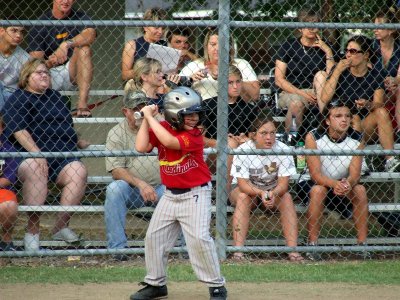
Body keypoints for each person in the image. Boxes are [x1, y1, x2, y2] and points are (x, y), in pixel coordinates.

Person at [131, 87, 227, 300]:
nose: (194, 118)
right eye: (188, 114)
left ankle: (217, 286)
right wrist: (147, 118)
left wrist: (149, 115)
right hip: (170, 195)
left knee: (200, 239)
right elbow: (140, 146)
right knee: (154, 237)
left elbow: (169, 142)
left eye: (196, 114)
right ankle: (156, 284)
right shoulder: (163, 126)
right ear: (174, 115)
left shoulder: (194, 135)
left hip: (195, 194)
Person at [2, 58, 88, 251]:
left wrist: (76, 140)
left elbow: (65, 125)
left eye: (47, 73)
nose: (44, 75)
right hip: (28, 157)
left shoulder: (55, 97)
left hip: (62, 156)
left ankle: (60, 226)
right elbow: (18, 130)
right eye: (39, 72)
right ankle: (32, 230)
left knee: (79, 170)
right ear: (26, 77)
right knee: (35, 165)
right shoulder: (19, 98)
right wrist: (37, 153)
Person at [229, 111, 303, 262]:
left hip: (273, 190)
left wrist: (271, 193)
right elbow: (242, 185)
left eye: (272, 133)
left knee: (287, 197)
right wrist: (262, 193)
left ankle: (293, 251)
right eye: (263, 133)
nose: (269, 138)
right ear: (253, 135)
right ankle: (238, 252)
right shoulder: (243, 150)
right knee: (243, 197)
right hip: (246, 190)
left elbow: (283, 185)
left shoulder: (283, 149)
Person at [320, 35, 400, 172]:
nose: (348, 55)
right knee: (354, 118)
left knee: (380, 112)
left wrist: (368, 104)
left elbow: (379, 103)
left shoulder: (375, 74)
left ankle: (390, 160)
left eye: (353, 51)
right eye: (346, 51)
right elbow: (324, 98)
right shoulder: (340, 72)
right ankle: (359, 163)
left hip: (365, 126)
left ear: (366, 55)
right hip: (341, 124)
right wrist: (337, 70)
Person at [302, 100, 368, 260]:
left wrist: (347, 183)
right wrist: (335, 184)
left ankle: (363, 246)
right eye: (338, 116)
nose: (344, 120)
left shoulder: (357, 138)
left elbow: (355, 174)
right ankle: (312, 245)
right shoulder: (313, 137)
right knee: (318, 191)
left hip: (343, 184)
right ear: (327, 120)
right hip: (315, 184)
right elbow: (315, 175)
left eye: (347, 116)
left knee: (360, 190)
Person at [104, 90, 164, 261]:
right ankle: (118, 251)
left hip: (161, 188)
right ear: (126, 112)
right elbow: (116, 170)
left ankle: (180, 249)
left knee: (178, 189)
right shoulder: (116, 133)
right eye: (135, 109)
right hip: (133, 191)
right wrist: (141, 184)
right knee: (115, 189)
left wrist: (155, 118)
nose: (140, 113)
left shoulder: (159, 125)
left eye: (142, 107)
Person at [27, 0, 96, 117]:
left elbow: (91, 34)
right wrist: (49, 63)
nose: (65, 1)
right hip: (49, 73)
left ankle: (82, 104)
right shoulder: (41, 22)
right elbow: (35, 63)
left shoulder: (80, 16)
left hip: (71, 72)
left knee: (84, 49)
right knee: (37, 70)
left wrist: (65, 45)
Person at [275, 8, 335, 137]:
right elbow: (279, 79)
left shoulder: (326, 45)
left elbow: (332, 77)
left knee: (321, 75)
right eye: (307, 24)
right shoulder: (288, 46)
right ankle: (292, 138)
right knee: (296, 103)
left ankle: (323, 129)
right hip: (293, 91)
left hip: (320, 91)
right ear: (300, 28)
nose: (311, 28)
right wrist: (301, 93)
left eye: (315, 23)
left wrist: (328, 52)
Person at [203, 65, 258, 178]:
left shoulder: (249, 109)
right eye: (230, 82)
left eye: (238, 82)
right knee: (230, 144)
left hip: (243, 154)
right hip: (214, 153)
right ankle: (225, 190)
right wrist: (219, 143)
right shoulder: (208, 105)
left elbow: (255, 137)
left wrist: (245, 141)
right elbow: (197, 138)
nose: (235, 86)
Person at [180, 27, 260, 102]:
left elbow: (255, 96)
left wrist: (231, 78)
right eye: (213, 44)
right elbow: (176, 93)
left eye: (222, 44)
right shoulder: (194, 66)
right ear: (206, 46)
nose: (217, 48)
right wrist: (190, 80)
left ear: (229, 47)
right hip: (204, 112)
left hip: (235, 113)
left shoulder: (241, 64)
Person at [373, 9, 400, 138]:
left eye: (380, 26)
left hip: (392, 91)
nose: (375, 30)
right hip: (374, 91)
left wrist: (395, 81)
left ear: (391, 30)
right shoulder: (370, 47)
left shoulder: (399, 49)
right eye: (374, 26)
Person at [121, 7, 168, 82]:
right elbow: (124, 75)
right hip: (140, 86)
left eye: (163, 28)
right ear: (145, 27)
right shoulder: (133, 45)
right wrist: (145, 69)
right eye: (156, 28)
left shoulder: (166, 45)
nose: (160, 32)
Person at [0, 19, 30, 110]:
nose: (18, 35)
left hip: (13, 96)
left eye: (21, 32)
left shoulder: (26, 58)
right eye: (14, 30)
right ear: (2, 31)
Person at [0, 116, 19, 252]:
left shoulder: (9, 149)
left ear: (1, 129)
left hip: (2, 190)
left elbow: (7, 179)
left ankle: (6, 241)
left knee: (9, 205)